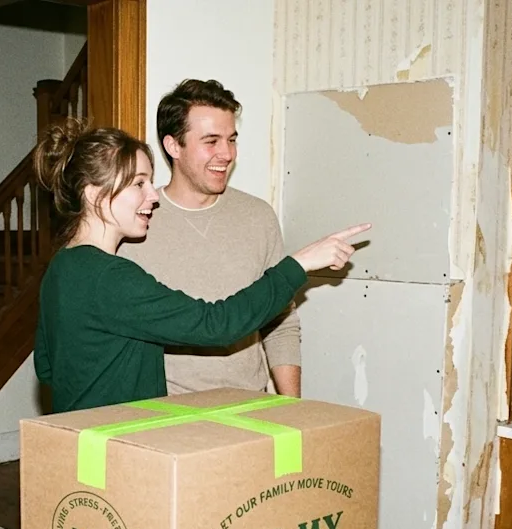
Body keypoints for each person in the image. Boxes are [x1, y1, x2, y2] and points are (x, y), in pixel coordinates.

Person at [32, 118, 370, 413]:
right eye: (138, 184)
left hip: (81, 445)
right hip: (124, 445)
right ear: (94, 194)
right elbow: (217, 325)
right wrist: (299, 263)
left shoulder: (61, 267)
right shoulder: (111, 277)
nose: (152, 196)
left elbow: (48, 369)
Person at [117, 79, 302, 397]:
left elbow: (281, 321)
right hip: (165, 415)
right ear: (173, 146)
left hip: (250, 406)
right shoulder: (135, 226)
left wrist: (292, 408)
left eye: (231, 139)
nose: (227, 153)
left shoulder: (259, 216)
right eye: (211, 141)